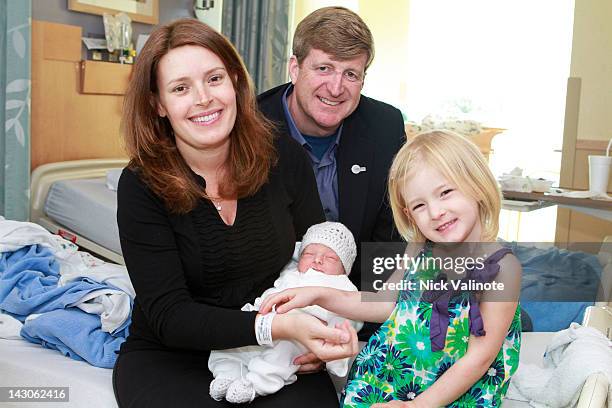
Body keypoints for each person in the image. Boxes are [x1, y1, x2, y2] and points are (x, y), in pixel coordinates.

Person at [113, 19, 358, 408]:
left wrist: (318, 329)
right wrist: (275, 326)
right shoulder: (141, 184)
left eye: (214, 79)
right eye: (180, 88)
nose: (203, 98)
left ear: (236, 84)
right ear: (158, 103)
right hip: (175, 357)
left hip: (275, 354)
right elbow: (169, 315)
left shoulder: (285, 158)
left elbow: (315, 260)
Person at [260, 130, 523, 407]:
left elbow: (479, 358)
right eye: (419, 205)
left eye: (445, 193)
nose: (435, 212)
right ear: (408, 214)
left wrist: (415, 407)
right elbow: (383, 303)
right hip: (387, 379)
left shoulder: (503, 269)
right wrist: (317, 294)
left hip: (452, 394)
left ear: (477, 185)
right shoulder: (419, 248)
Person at [258, 6, 406, 288]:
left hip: (357, 305)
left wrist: (359, 317)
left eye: (350, 74)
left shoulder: (384, 127)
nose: (336, 88)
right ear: (294, 68)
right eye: (324, 68)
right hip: (268, 305)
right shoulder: (249, 128)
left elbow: (389, 241)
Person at [208, 221, 363, 403]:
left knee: (283, 352)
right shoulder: (289, 272)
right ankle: (226, 373)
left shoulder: (343, 287)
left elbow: (350, 319)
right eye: (309, 253)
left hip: (301, 335)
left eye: (330, 258)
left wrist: (335, 355)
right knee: (229, 343)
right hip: (265, 322)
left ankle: (256, 383)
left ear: (345, 269)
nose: (317, 260)